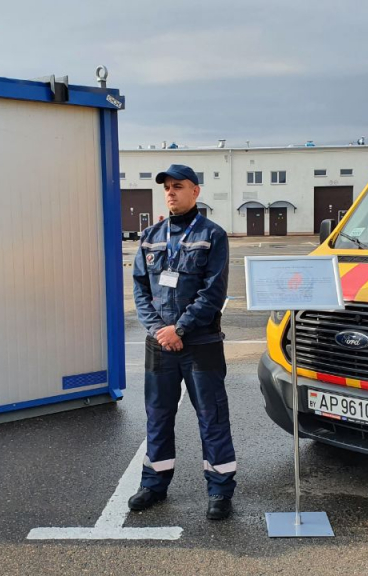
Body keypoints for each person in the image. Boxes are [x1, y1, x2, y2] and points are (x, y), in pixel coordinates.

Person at [129, 164, 236, 520]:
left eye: (179, 186)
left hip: (201, 343)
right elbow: (140, 290)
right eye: (167, 188)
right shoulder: (150, 236)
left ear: (196, 191)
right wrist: (161, 330)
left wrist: (181, 329)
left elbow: (212, 292)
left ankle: (220, 490)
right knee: (158, 415)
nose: (171, 193)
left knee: (212, 416)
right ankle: (154, 484)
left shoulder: (212, 235)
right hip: (159, 344)